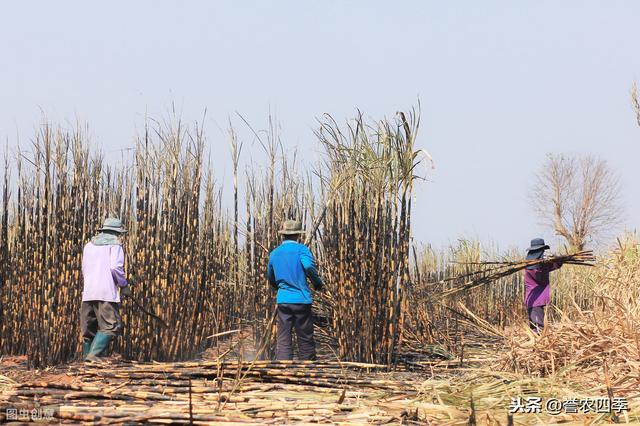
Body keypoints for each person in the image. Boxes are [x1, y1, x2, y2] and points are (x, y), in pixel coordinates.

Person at [267, 220, 324, 360]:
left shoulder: (274, 253)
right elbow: (309, 267)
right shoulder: (302, 250)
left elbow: (270, 276)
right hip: (301, 299)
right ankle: (307, 369)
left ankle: (284, 368)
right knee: (305, 336)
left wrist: (278, 288)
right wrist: (317, 283)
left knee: (284, 336)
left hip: (283, 300)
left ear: (283, 235)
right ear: (298, 234)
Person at [81, 217, 129, 362]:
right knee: (111, 326)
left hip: (88, 292)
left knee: (89, 329)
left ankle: (86, 360)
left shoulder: (89, 245)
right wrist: (123, 285)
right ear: (117, 233)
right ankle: (93, 356)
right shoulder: (115, 246)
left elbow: (84, 268)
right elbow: (115, 267)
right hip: (106, 293)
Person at [524, 238, 562, 332]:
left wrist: (557, 259)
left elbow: (556, 265)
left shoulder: (539, 266)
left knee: (535, 326)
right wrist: (544, 265)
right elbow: (540, 278)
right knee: (538, 327)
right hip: (535, 300)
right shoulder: (532, 268)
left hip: (535, 300)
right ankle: (539, 344)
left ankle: (537, 344)